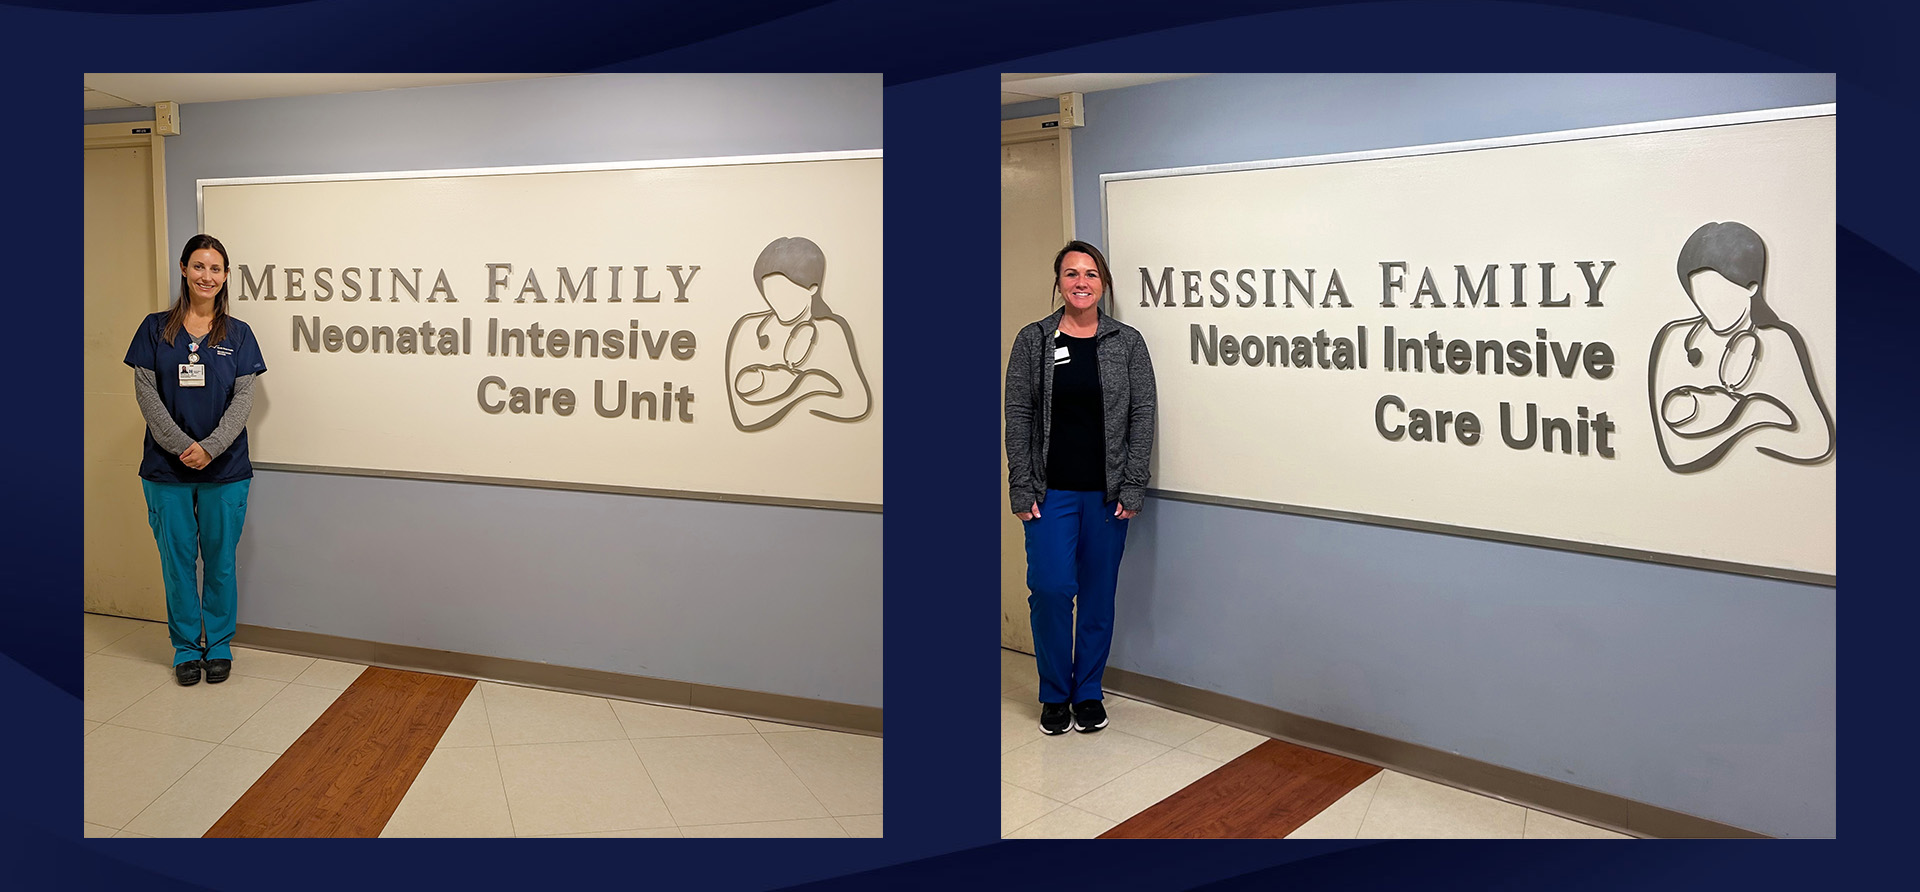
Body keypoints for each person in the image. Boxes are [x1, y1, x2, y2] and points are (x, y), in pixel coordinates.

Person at [1005, 240, 1156, 735]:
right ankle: (1054, 692)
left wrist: (1133, 486)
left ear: (1104, 283)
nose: (1081, 282)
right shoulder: (1034, 340)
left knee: (1097, 595)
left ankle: (1088, 690)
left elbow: (1141, 414)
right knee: (1050, 589)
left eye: (1091, 274)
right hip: (1052, 495)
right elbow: (1018, 414)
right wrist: (1020, 485)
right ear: (1058, 282)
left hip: (1107, 495)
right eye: (1071, 274)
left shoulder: (1127, 342)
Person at [124, 234, 268, 686]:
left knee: (221, 560)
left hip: (224, 471)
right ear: (184, 269)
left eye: (217, 269)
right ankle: (186, 648)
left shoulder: (239, 335)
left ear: (226, 277)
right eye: (200, 266)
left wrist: (210, 448)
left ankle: (219, 644)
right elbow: (146, 394)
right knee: (177, 561)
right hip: (166, 471)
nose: (208, 276)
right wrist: (181, 444)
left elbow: (244, 400)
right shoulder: (154, 329)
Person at [1649, 221, 1834, 473]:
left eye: (1719, 290)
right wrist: (1755, 414)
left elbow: (1817, 441)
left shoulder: (1779, 340)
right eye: (1697, 291)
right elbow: (1677, 455)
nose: (1707, 304)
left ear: (1752, 287)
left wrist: (1739, 423)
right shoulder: (1674, 338)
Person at [724, 236, 872, 432]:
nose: (776, 300)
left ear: (813, 287)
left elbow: (856, 404)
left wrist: (789, 391)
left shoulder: (831, 329)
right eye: (768, 288)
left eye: (786, 289)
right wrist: (809, 384)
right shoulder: (748, 328)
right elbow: (745, 417)